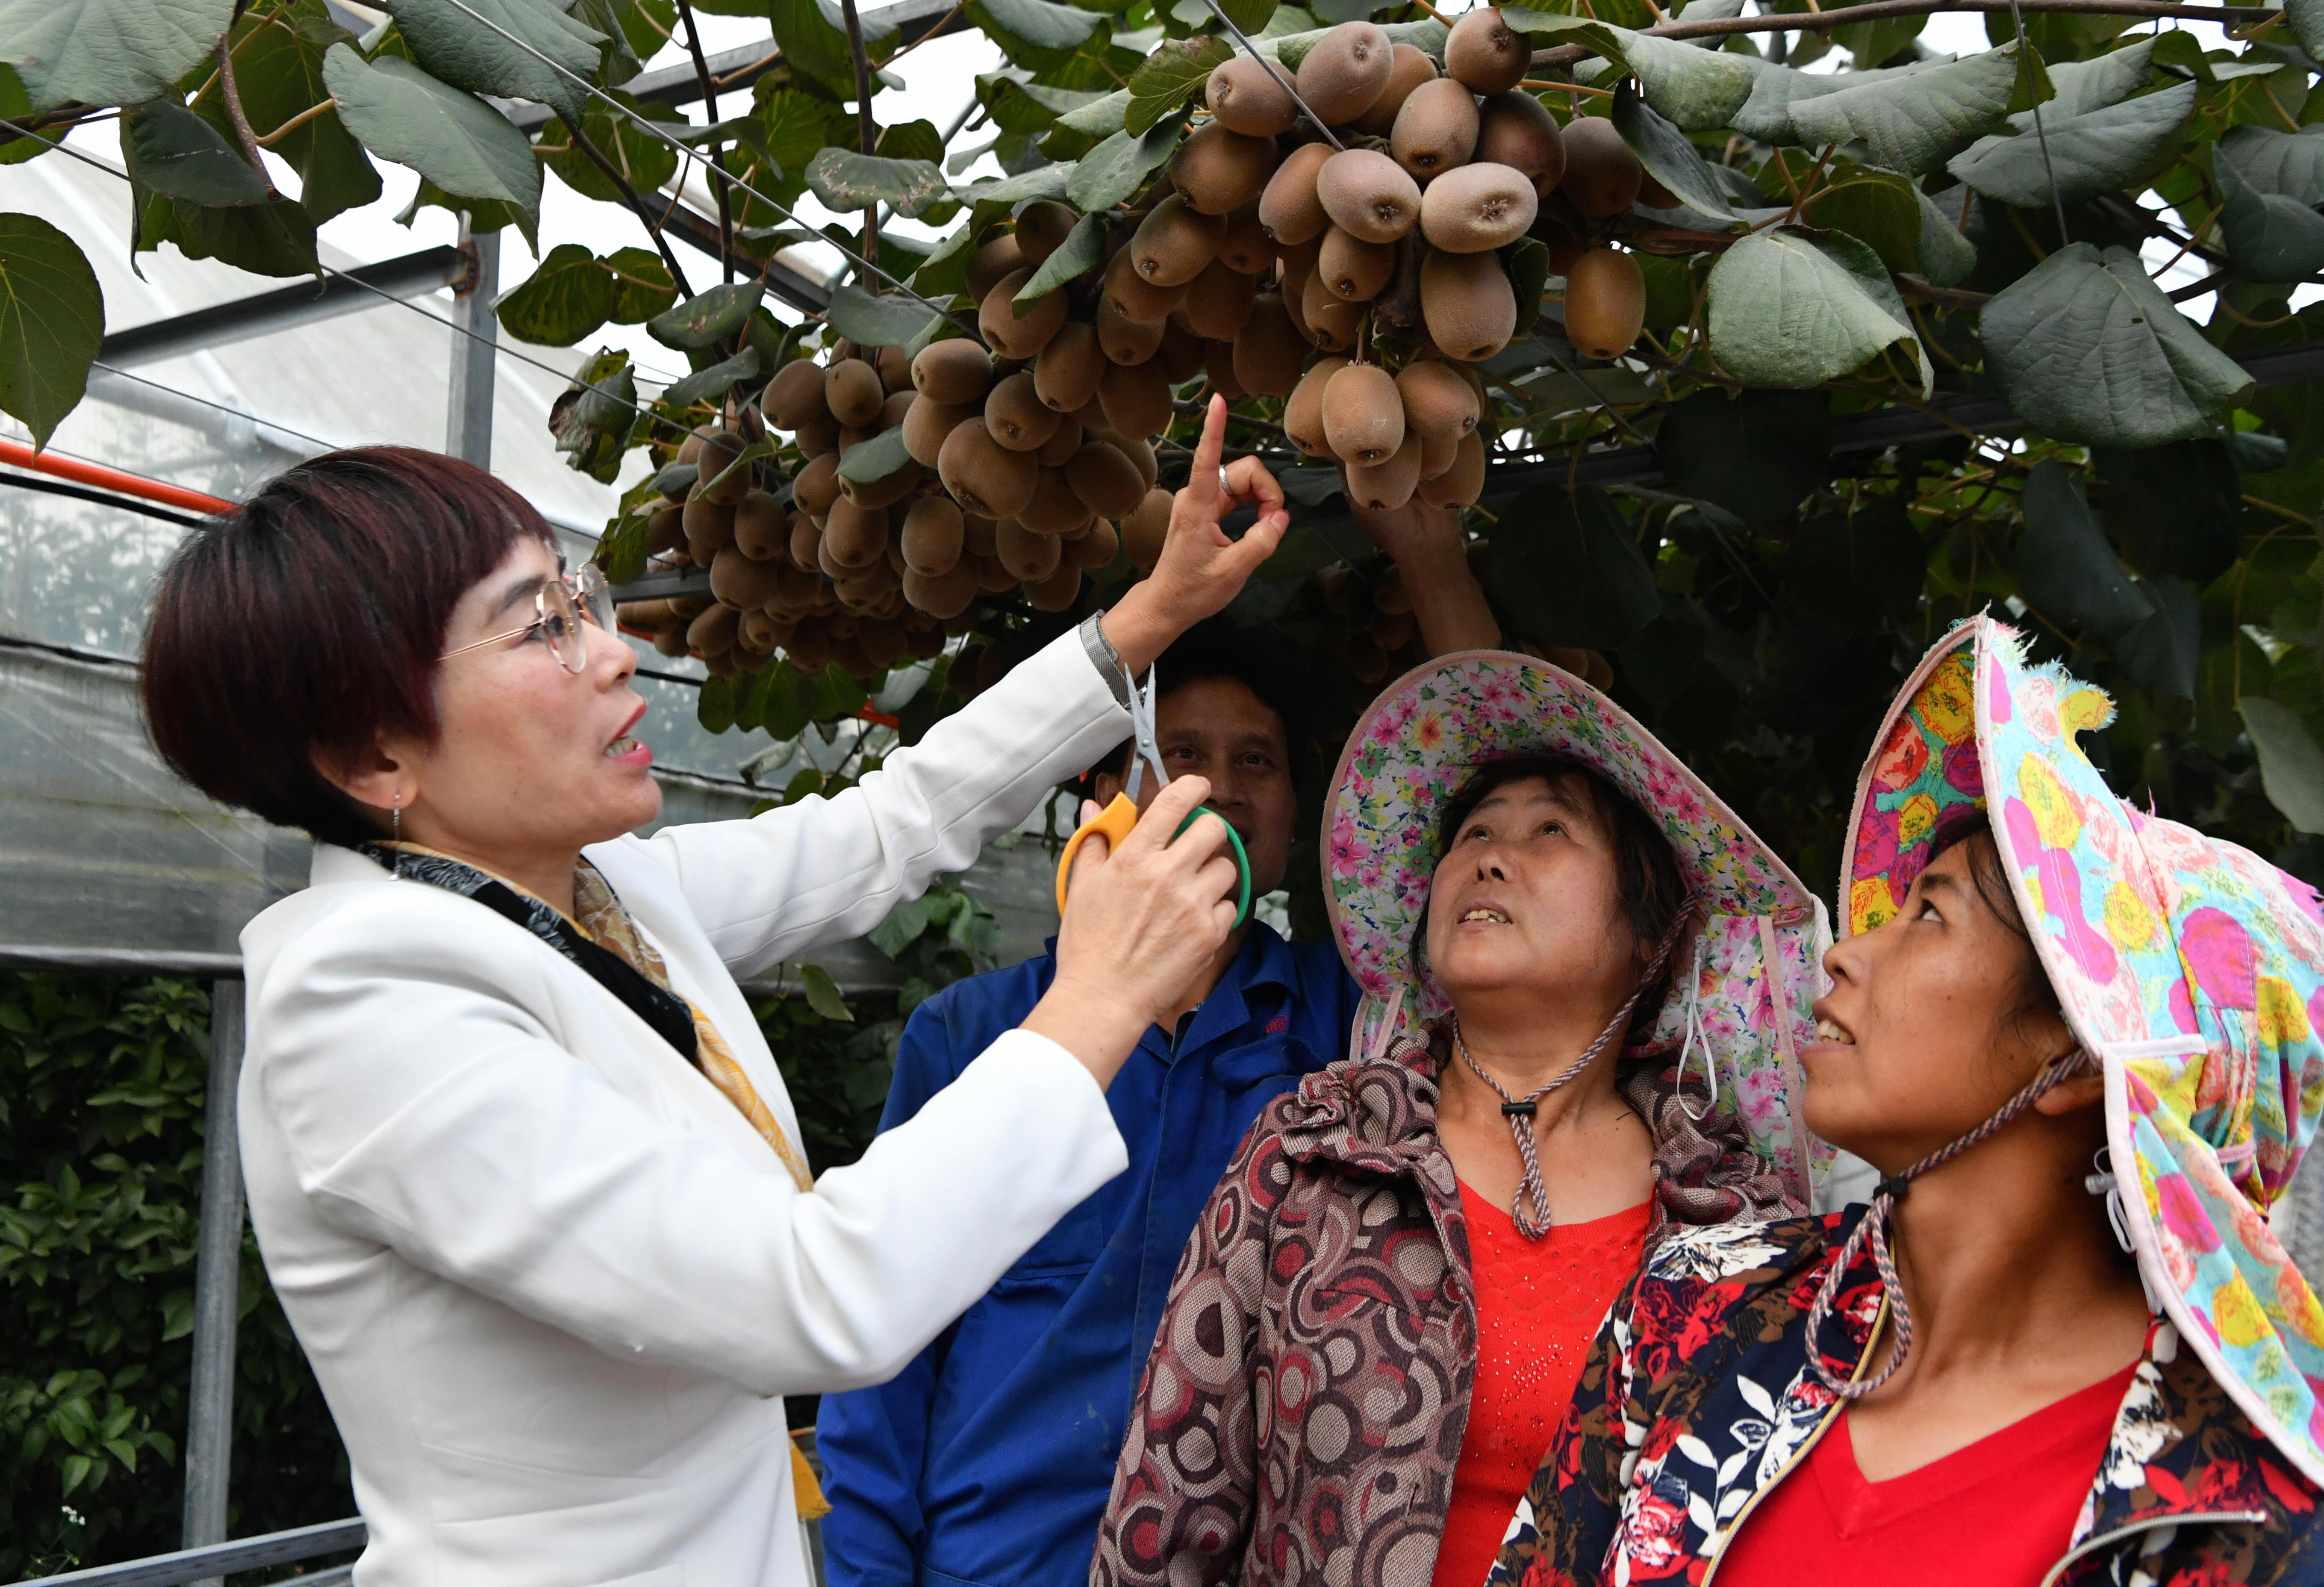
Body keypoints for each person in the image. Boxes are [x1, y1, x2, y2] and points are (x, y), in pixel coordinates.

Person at [135, 397, 1287, 1587]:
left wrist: (1156, 611)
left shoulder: (591, 896)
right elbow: (810, 1297)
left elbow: (887, 829)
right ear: (378, 757)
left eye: (579, 597)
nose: (614, 647)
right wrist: (1100, 996)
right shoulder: (366, 1007)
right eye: (540, 631)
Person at [1486, 615, 2324, 1587]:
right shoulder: (1697, 1313)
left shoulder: (2234, 1510)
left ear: (2084, 1056)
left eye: (1929, 913)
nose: (1845, 949)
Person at [812, 504, 1500, 1587]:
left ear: (1293, 816)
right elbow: (880, 1352)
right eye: (1181, 753)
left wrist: (1428, 550)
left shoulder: (1350, 1030)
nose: (1222, 786)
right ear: (1106, 792)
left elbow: (1495, 785)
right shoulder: (976, 1034)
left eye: (1257, 761)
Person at [1089, 651, 1835, 1587]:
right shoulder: (1314, 1153)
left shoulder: (1736, 1223)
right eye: (1474, 831)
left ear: (1651, 935)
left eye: (1549, 831)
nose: (1488, 854)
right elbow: (1164, 1510)